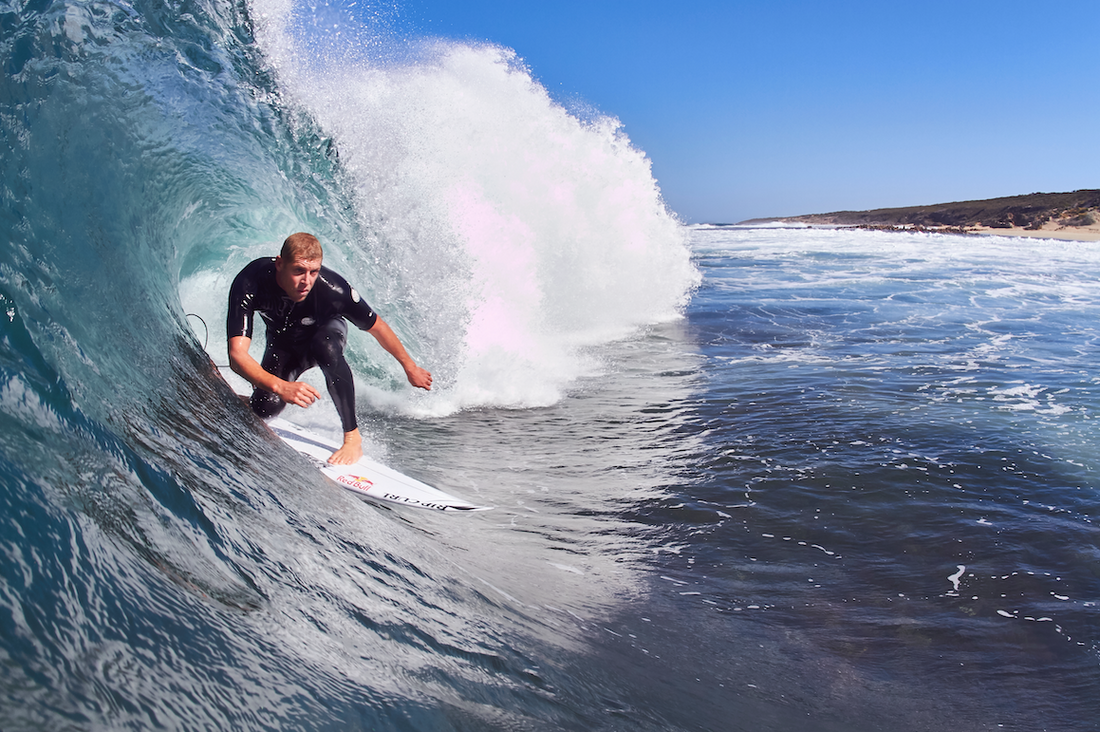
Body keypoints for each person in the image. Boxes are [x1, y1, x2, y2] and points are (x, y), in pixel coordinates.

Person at [226, 232, 432, 465]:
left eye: (313, 272)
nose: (306, 281)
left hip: (324, 334)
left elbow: (378, 327)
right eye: (298, 271)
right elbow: (236, 355)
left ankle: (353, 438)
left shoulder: (334, 290)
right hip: (282, 343)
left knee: (326, 348)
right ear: (280, 263)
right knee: (265, 408)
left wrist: (409, 366)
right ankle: (249, 399)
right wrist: (281, 386)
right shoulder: (251, 282)